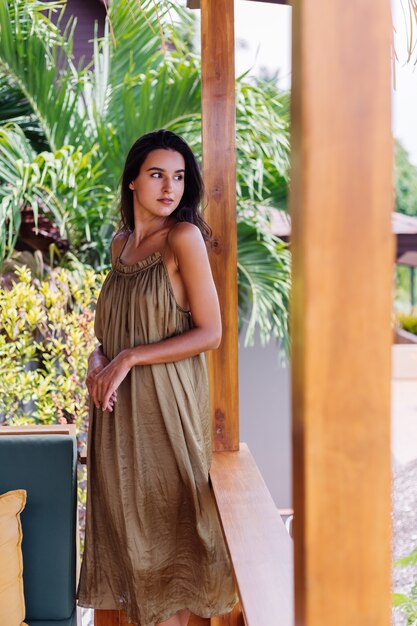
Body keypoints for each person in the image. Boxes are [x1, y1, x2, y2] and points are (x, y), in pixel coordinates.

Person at [77, 129, 239, 626]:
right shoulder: (121, 244)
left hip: (166, 420)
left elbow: (211, 333)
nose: (169, 187)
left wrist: (127, 359)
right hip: (118, 423)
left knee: (170, 556)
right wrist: (99, 359)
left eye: (178, 177)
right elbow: (111, 330)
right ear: (132, 182)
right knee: (132, 548)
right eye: (156, 175)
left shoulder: (183, 239)